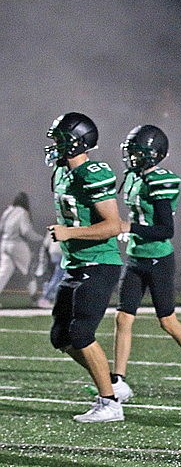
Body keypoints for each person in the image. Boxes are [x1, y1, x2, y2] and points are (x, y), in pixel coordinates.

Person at [113, 125, 181, 402]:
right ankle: (118, 381)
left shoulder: (161, 181)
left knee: (167, 321)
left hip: (158, 258)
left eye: (137, 152)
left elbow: (164, 230)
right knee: (123, 317)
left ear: (152, 154)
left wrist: (128, 226)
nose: (132, 157)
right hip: (136, 256)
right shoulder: (135, 178)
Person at [44, 112, 128, 422]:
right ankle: (110, 384)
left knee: (80, 333)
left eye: (59, 140)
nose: (54, 146)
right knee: (61, 337)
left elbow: (113, 226)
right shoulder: (62, 172)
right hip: (75, 264)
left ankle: (110, 402)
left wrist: (70, 233)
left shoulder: (92, 173)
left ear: (76, 142)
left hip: (99, 262)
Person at [0, 192, 44, 300]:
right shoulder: (22, 212)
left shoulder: (8, 211)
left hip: (4, 243)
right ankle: (34, 296)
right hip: (17, 244)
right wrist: (39, 238)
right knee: (28, 270)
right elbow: (26, 231)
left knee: (4, 272)